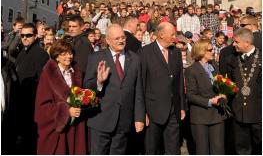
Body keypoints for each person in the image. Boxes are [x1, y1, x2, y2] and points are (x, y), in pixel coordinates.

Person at [84, 24, 145, 155]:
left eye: (123, 37)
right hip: (100, 119)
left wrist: (139, 118)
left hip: (124, 121)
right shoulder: (96, 58)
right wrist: (99, 82)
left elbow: (138, 91)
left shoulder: (135, 59)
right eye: (116, 38)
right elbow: (87, 88)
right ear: (108, 40)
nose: (121, 41)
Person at [140, 22, 186, 154]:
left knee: (173, 150)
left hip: (173, 110)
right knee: (152, 149)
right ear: (161, 35)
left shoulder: (176, 52)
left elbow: (179, 82)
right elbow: (141, 84)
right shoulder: (145, 53)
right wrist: (142, 112)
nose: (175, 37)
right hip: (153, 111)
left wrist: (182, 106)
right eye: (172, 34)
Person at [35, 41, 86, 155]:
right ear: (56, 56)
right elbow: (42, 106)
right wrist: (66, 112)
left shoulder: (78, 72)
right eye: (64, 53)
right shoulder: (47, 75)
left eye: (70, 53)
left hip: (76, 127)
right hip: (57, 129)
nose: (69, 56)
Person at [185, 39, 226, 154]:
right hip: (200, 117)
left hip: (217, 115)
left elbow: (221, 85)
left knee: (218, 149)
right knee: (202, 150)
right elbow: (190, 95)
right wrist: (209, 101)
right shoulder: (191, 70)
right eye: (210, 50)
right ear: (202, 52)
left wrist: (223, 94)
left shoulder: (214, 66)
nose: (213, 52)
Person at [15, 23, 49, 154]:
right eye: (22, 35)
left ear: (35, 36)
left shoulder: (41, 54)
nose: (24, 38)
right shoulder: (22, 51)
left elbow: (41, 82)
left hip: (31, 104)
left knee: (28, 142)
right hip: (20, 101)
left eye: (28, 35)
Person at [226, 28, 262, 155]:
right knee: (242, 149)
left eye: (236, 42)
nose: (233, 44)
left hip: (258, 114)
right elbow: (230, 83)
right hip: (239, 114)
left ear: (247, 42)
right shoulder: (232, 59)